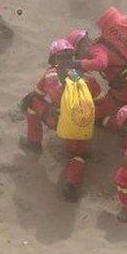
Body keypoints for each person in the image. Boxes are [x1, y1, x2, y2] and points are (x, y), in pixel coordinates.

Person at [18, 40, 102, 201]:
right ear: (73, 56)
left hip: (55, 121)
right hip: (78, 125)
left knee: (32, 105)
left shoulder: (49, 75)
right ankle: (72, 184)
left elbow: (37, 95)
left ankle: (33, 142)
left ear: (54, 59)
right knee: (78, 155)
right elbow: (101, 102)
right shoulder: (88, 78)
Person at [64, 29, 127, 127]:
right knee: (107, 106)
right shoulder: (97, 47)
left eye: (77, 53)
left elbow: (100, 63)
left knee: (104, 112)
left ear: (81, 46)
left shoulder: (96, 49)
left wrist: (78, 64)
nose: (79, 57)